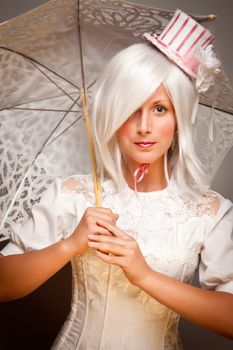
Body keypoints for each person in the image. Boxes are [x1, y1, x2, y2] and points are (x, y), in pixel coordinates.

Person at [0, 9, 233, 350]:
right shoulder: (73, 194)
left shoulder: (210, 211)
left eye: (159, 109)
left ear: (179, 118)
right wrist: (71, 244)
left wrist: (144, 275)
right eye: (131, 108)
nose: (144, 126)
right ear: (112, 114)